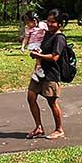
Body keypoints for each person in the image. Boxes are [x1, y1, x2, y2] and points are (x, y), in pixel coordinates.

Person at [27, 8, 67, 139]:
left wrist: (38, 55)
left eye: (53, 22)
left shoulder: (59, 38)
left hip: (51, 74)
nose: (50, 24)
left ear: (60, 24)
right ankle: (39, 127)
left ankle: (59, 129)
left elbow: (55, 57)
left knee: (52, 102)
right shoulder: (47, 34)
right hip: (39, 72)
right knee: (31, 97)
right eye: (48, 21)